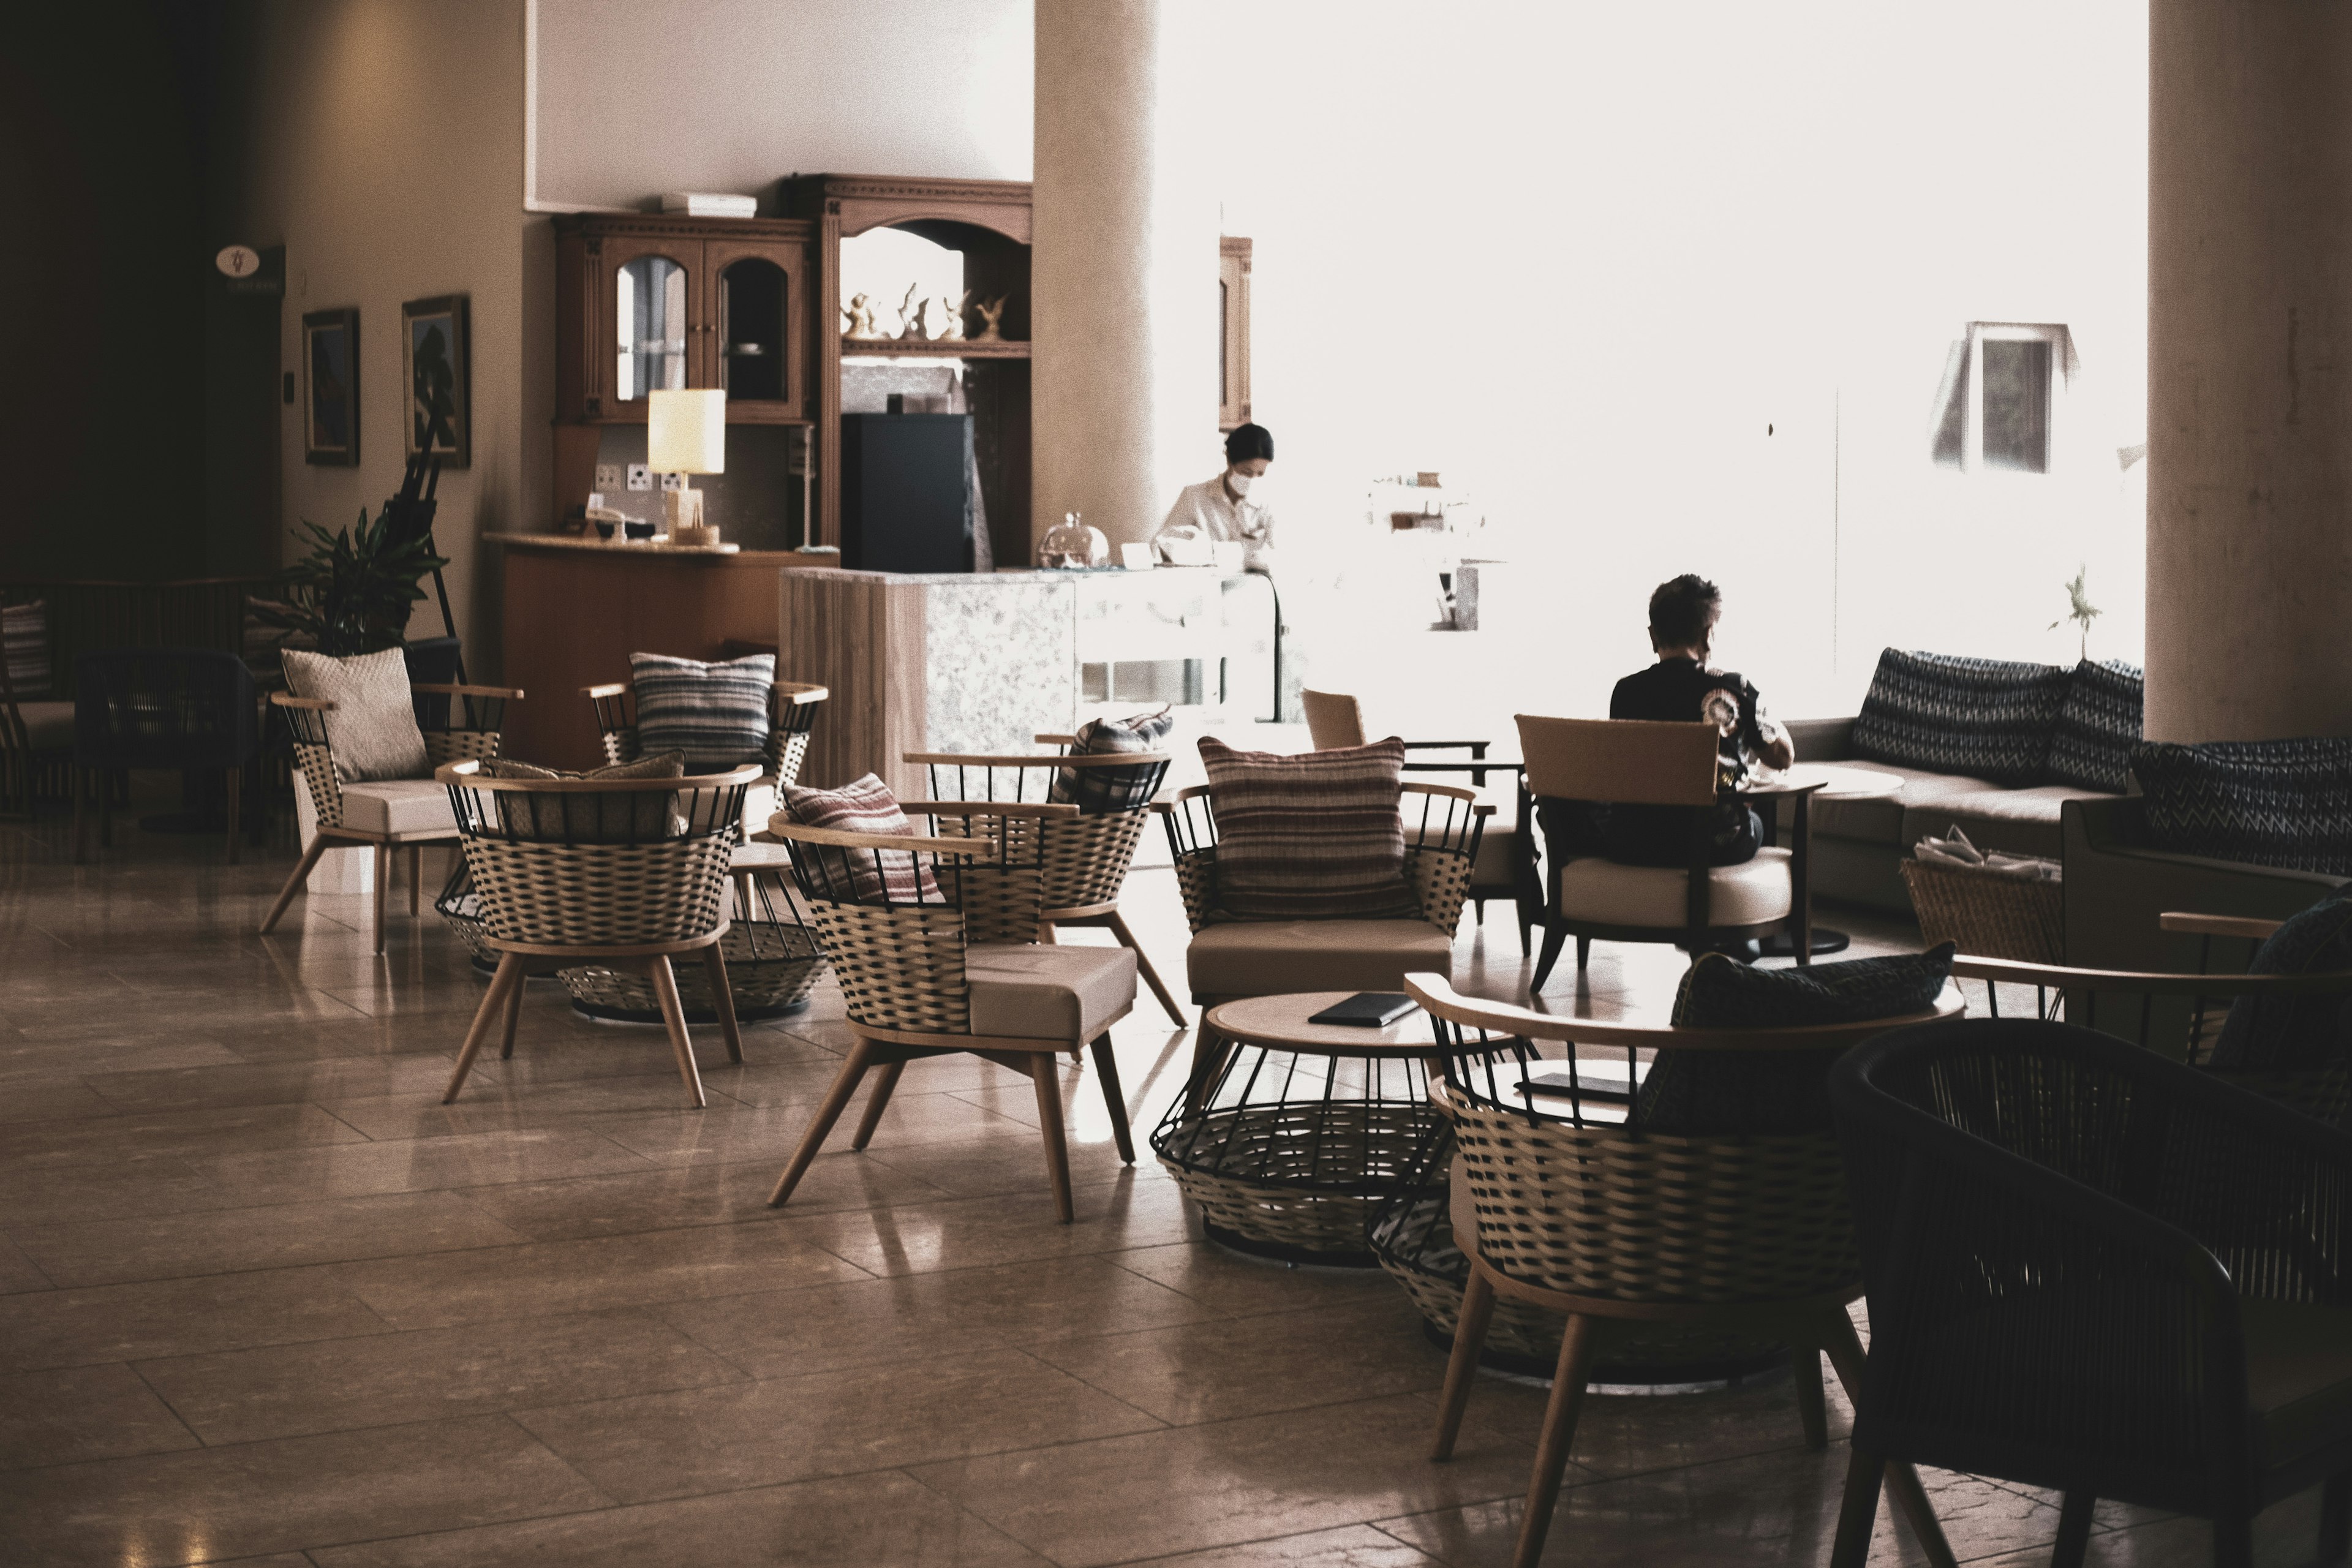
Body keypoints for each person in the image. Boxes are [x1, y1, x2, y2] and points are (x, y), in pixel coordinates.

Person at [1604, 573, 1795, 869]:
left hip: (1637, 843)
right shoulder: (1733, 689)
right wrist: (1756, 704)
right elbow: (1783, 757)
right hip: (1715, 844)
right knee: (1757, 816)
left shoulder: (1625, 692)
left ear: (1654, 636)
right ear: (1708, 635)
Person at [1155, 423, 1276, 571]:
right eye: (1247, 472)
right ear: (1229, 461)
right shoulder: (1194, 497)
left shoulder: (1268, 504)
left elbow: (1281, 554)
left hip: (1252, 589)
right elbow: (1158, 547)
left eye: (1260, 474)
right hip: (1203, 586)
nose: (1253, 479)